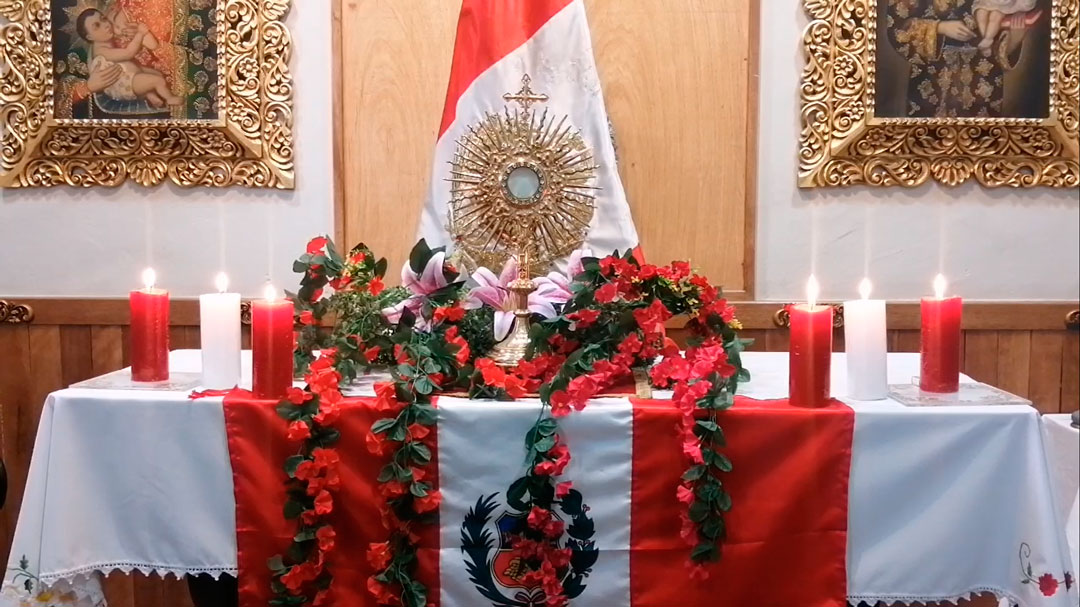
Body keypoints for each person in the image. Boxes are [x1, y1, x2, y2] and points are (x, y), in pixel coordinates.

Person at [885, 0, 1040, 117]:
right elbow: (898, 29)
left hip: (982, 78)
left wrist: (1015, 38)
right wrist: (940, 27)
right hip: (932, 76)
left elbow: (998, 41)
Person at [75, 8, 181, 107]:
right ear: (89, 37)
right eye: (97, 26)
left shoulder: (106, 41)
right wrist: (140, 33)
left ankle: (149, 95)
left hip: (129, 76)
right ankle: (170, 98)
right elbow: (128, 53)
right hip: (124, 85)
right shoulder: (101, 51)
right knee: (158, 80)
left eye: (103, 19)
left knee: (157, 74)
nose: (106, 25)